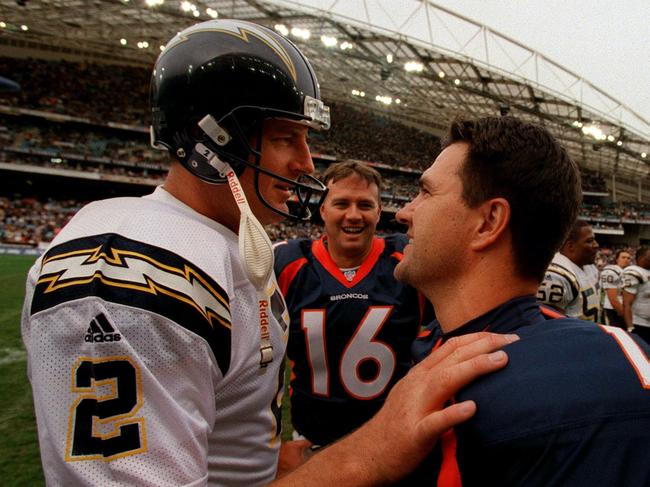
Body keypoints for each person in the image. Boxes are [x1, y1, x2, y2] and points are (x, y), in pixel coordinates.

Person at [21, 19, 514, 486]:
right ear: (211, 143)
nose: (305, 163)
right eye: (286, 138)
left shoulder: (226, 244)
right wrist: (374, 448)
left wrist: (260, 459)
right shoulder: (133, 266)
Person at [397, 116, 650, 485]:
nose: (404, 212)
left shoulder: (542, 393)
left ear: (488, 222)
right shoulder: (616, 351)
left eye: (425, 192)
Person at [274, 162, 432, 453]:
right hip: (312, 435)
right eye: (341, 203)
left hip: (389, 438)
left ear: (378, 210)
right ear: (322, 209)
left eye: (365, 205)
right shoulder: (287, 264)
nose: (354, 215)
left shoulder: (407, 259)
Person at [536, 219, 600, 321]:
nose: (596, 245)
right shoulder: (556, 275)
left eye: (594, 239)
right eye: (589, 241)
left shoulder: (590, 267)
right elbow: (550, 325)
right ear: (570, 246)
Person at [622, 246, 650, 343]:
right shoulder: (634, 272)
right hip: (639, 323)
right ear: (640, 258)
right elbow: (626, 303)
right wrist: (630, 327)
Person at [601, 248, 632, 328]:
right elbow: (613, 299)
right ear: (617, 259)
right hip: (613, 310)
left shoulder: (628, 271)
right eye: (623, 257)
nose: (626, 260)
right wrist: (625, 316)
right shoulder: (611, 271)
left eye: (628, 258)